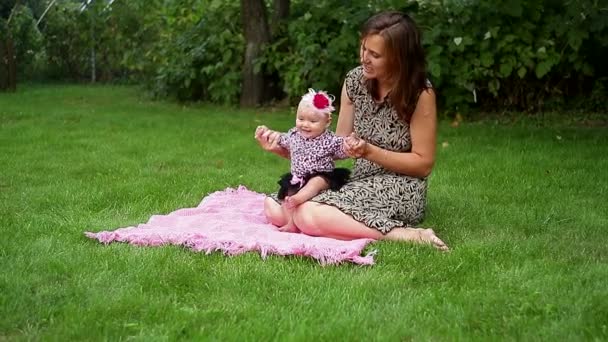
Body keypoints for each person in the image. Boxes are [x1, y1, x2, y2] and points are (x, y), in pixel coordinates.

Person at [255, 11, 448, 250]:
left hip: (401, 186)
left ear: (399, 58)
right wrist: (286, 149)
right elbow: (336, 148)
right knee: (275, 209)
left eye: (375, 55)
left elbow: (423, 164)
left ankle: (407, 235)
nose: (364, 58)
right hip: (358, 180)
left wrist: (369, 152)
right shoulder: (355, 81)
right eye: (363, 49)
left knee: (305, 215)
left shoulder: (420, 93)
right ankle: (334, 221)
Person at [255, 89, 356, 232]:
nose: (305, 124)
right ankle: (292, 222)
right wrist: (268, 133)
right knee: (288, 192)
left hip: (322, 174)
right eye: (301, 119)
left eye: (313, 121)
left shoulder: (330, 139)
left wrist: (350, 145)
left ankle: (299, 198)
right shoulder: (294, 135)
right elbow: (280, 138)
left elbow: (342, 149)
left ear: (327, 122)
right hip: (299, 177)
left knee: (316, 182)